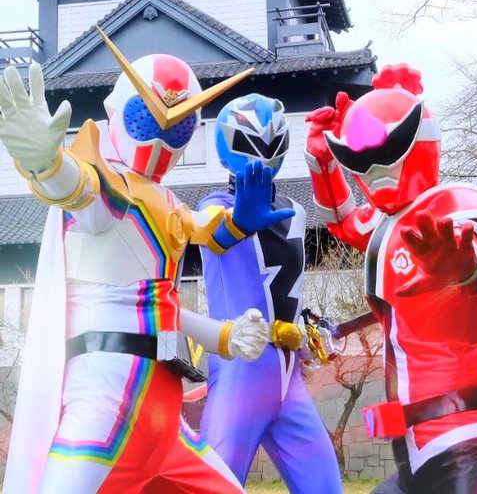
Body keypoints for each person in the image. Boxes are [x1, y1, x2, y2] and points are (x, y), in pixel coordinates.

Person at [2, 35, 294, 494]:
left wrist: (225, 334)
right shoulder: (107, 187)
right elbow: (79, 190)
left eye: (179, 127)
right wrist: (46, 164)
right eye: (145, 117)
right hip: (104, 401)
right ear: (116, 112)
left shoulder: (168, 203)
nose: (160, 137)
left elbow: (164, 300)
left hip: (164, 415)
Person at [304, 63, 477, 494]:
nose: (374, 166)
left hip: (469, 438)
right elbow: (342, 219)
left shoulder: (451, 205)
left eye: (388, 149)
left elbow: (474, 244)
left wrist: (455, 265)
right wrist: (322, 161)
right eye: (357, 157)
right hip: (417, 450)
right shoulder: (391, 225)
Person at [198, 93, 343, 494]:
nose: (261, 152)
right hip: (240, 366)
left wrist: (306, 332)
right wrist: (240, 223)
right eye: (251, 143)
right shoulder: (214, 206)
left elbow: (289, 286)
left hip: (286, 373)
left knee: (325, 487)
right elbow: (214, 234)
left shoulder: (295, 209)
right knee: (213, 485)